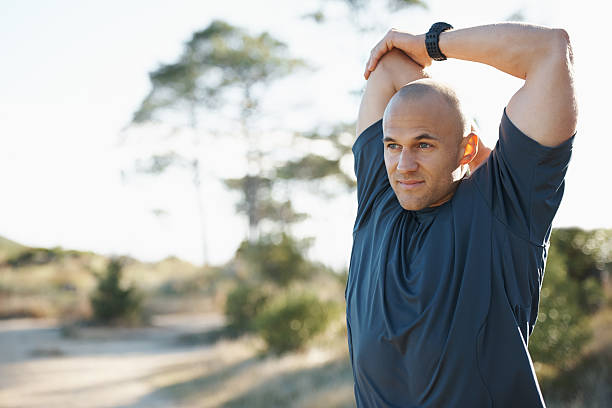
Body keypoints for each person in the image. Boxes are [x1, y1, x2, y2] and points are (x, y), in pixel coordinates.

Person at [345, 22, 577, 407]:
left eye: (424, 144)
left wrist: (429, 44)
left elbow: (550, 50)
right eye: (393, 145)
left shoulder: (505, 208)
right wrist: (464, 140)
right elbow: (387, 68)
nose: (403, 165)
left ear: (466, 148)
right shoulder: (378, 202)